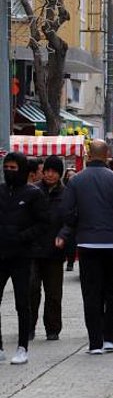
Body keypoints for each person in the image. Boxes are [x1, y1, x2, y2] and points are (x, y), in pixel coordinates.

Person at [57, 139, 113, 355]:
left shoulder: (76, 181)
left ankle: (95, 341)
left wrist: (73, 229)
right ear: (107, 155)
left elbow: (67, 211)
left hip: (87, 241)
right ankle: (111, 338)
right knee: (112, 291)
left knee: (91, 292)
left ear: (89, 155)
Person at [0, 152, 49, 364]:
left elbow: (44, 223)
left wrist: (23, 237)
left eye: (13, 168)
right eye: (6, 168)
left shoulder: (33, 194)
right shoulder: (0, 191)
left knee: (22, 302)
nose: (9, 171)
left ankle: (22, 346)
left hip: (22, 255)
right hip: (1, 254)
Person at [30, 155, 67, 342]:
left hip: (55, 251)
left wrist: (63, 235)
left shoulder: (66, 194)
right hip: (33, 250)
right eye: (47, 171)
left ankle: (53, 329)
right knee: (31, 289)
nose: (50, 175)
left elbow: (70, 220)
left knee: (53, 293)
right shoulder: (33, 191)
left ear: (59, 174)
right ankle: (28, 326)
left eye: (54, 171)